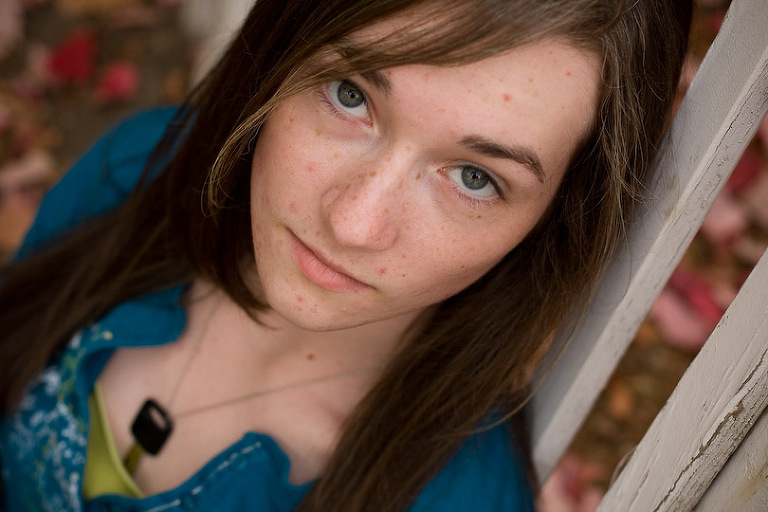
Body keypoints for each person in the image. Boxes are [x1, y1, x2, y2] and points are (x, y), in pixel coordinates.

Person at [0, 0, 692, 510]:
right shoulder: (138, 172)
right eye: (351, 94)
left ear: (552, 222)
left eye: (474, 178)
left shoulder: (455, 502)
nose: (354, 223)